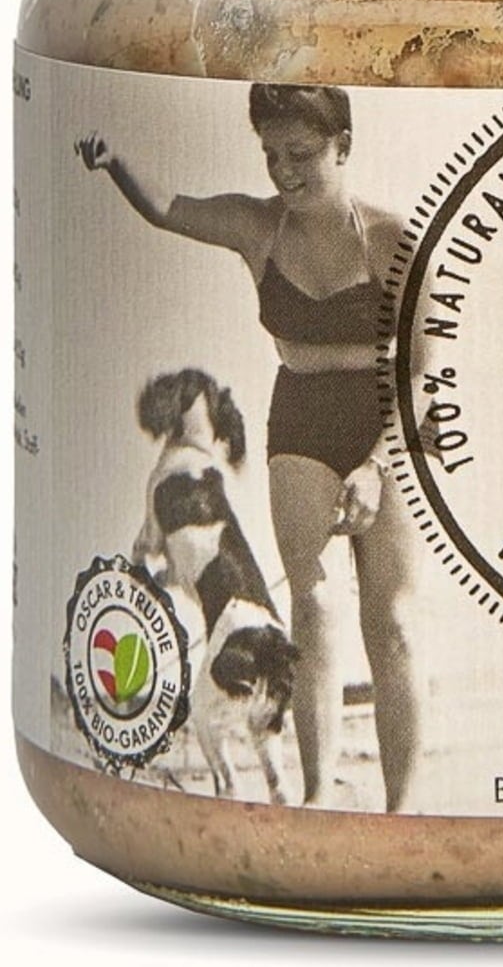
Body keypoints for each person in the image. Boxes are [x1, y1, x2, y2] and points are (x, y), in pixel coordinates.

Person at [77, 84, 420, 811]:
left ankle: (403, 811)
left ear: (343, 147)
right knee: (313, 603)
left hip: (388, 421)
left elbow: (424, 370)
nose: (284, 171)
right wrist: (114, 161)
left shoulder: (393, 239)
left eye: (301, 153)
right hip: (300, 415)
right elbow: (169, 208)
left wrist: (376, 465)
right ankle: (318, 797)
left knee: (390, 623)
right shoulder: (258, 227)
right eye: (271, 155)